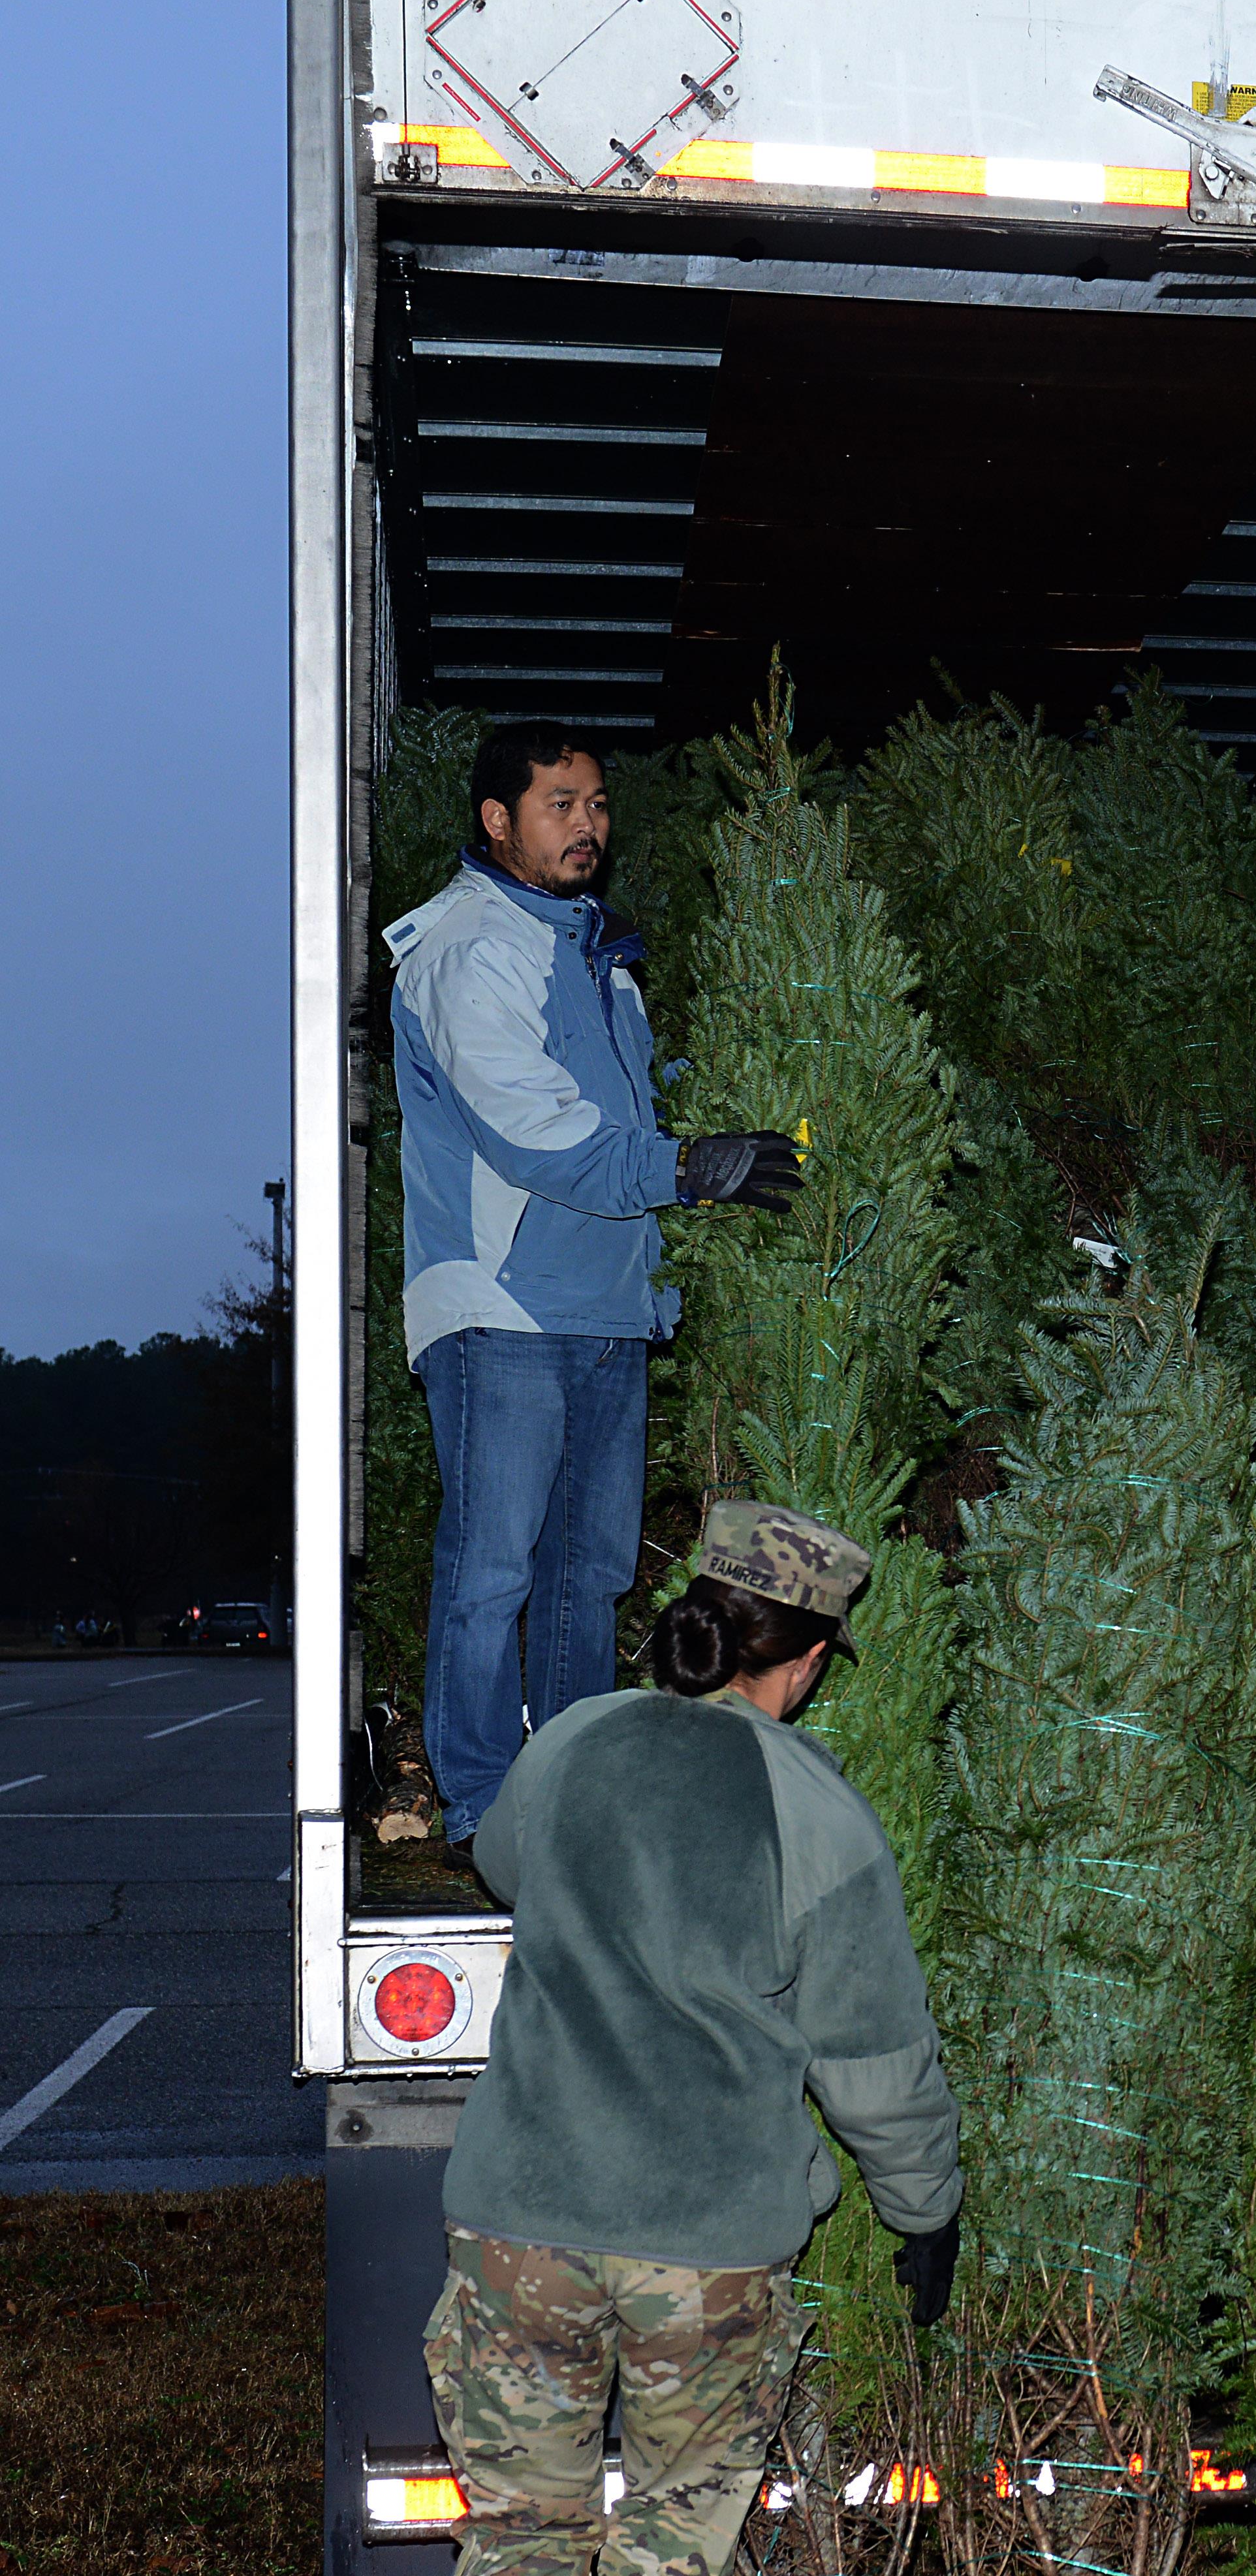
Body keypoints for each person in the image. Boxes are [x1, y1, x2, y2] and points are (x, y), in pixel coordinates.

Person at [426, 1501, 964, 2576]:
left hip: (519, 2212)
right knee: (676, 2526)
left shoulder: (578, 1741)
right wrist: (926, 2209)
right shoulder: (815, 1807)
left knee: (524, 2515)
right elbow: (873, 2054)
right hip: (703, 2245)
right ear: (799, 1660)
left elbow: (503, 1866)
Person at [386, 724, 809, 1861]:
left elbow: (639, 1104)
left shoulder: (595, 957)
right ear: (496, 819)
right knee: (492, 1567)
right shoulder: (473, 948)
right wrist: (681, 1166)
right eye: (561, 804)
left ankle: (564, 1789)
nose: (588, 825)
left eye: (599, 805)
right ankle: (479, 1806)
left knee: (592, 1572)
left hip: (611, 1308)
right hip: (505, 1309)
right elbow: (531, 1131)